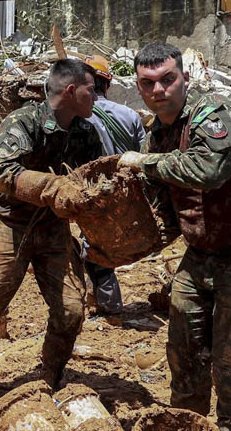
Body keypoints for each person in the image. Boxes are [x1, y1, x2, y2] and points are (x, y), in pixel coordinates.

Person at [117, 42, 231, 430]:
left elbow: (209, 170)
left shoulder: (213, 110)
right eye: (148, 83)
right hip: (200, 258)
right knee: (185, 359)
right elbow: (163, 209)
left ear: (185, 78)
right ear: (139, 87)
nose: (158, 90)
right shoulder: (158, 135)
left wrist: (145, 163)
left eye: (167, 79)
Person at [0, 59, 101, 408]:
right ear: (71, 91)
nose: (96, 96)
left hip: (54, 228)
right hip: (9, 225)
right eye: (91, 89)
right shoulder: (23, 122)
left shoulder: (86, 133)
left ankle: (51, 375)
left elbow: (93, 181)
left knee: (71, 310)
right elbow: (1, 170)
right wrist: (53, 187)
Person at [81, 55, 146, 320]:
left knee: (96, 250)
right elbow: (143, 155)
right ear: (107, 83)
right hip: (128, 194)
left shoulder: (81, 115)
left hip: (96, 193)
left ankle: (110, 308)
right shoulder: (130, 115)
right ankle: (99, 300)